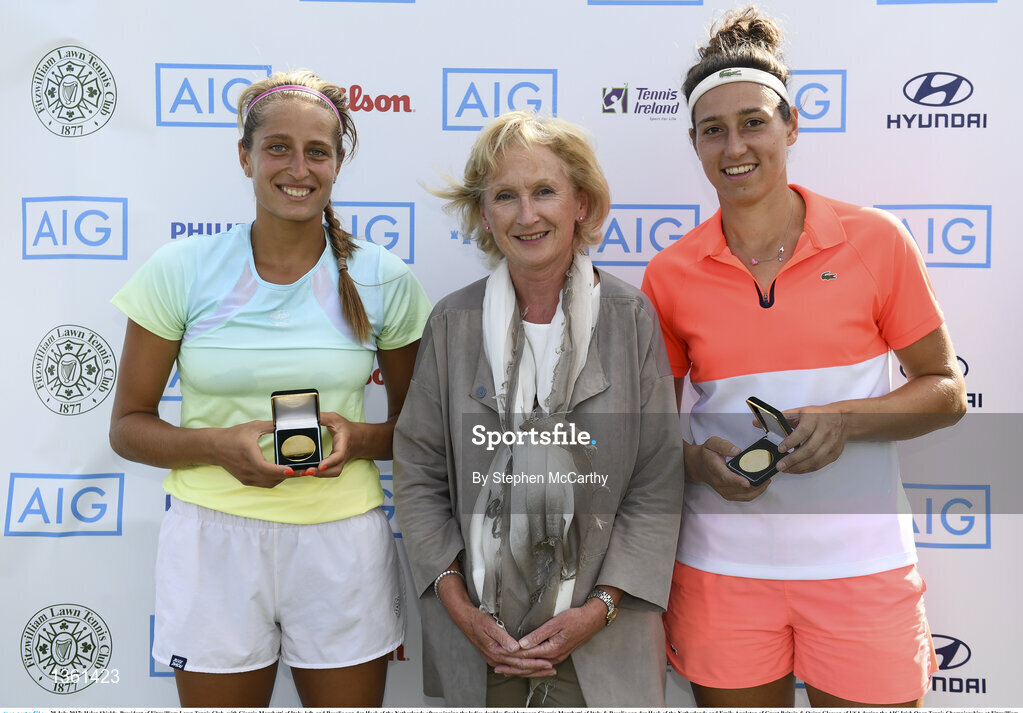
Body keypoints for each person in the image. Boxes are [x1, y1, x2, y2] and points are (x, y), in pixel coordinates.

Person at [641, 6, 968, 709]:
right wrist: (696, 462)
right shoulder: (668, 273)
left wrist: (845, 420)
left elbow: (944, 389)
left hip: (861, 569)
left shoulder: (875, 240)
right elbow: (651, 432)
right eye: (712, 128)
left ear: (790, 125)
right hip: (721, 572)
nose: (735, 144)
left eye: (753, 121)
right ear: (695, 143)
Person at [108, 70, 431, 708]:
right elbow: (127, 426)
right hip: (211, 541)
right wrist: (220, 446)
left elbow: (418, 431)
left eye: (319, 151)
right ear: (245, 156)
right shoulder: (183, 269)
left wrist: (358, 438)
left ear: (339, 164)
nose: (298, 167)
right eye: (278, 147)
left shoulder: (383, 277)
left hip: (341, 543)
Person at [392, 110, 684, 707]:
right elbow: (419, 474)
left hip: (604, 641)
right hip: (480, 640)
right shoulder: (452, 323)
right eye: (505, 196)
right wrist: (459, 607)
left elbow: (657, 481)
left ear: (581, 202)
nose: (527, 215)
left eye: (545, 191)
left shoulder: (630, 319)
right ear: (483, 214)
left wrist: (599, 608)